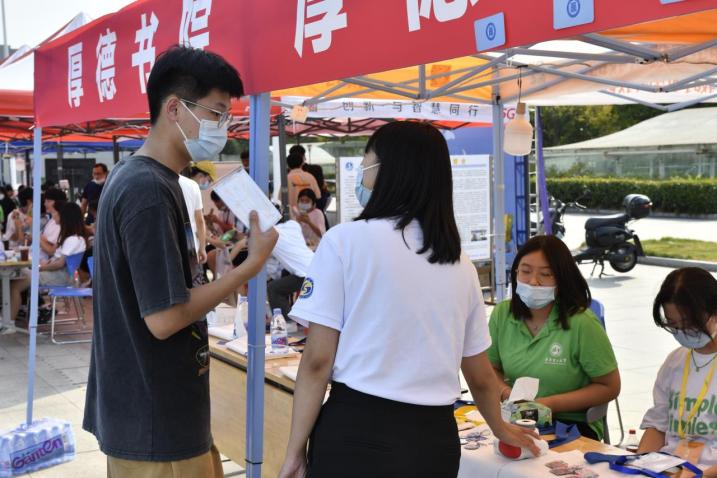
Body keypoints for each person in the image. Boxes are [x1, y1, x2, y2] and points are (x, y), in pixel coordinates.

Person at [278, 121, 539, 478]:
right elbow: (478, 375)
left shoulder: (344, 242)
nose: (361, 177)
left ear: (388, 173)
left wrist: (294, 449)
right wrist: (499, 427)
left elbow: (317, 361)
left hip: (357, 432)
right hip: (434, 441)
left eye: (365, 166)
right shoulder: (458, 263)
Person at [82, 46, 278, 478]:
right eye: (216, 114)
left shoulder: (144, 178)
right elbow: (165, 318)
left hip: (157, 415)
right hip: (156, 424)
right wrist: (249, 266)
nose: (223, 128)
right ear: (175, 108)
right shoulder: (147, 189)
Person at [487, 235, 621, 441]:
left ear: (561, 279)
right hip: (514, 418)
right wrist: (505, 393)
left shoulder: (582, 323)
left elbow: (609, 386)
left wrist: (551, 404)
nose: (533, 281)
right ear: (515, 273)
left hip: (570, 425)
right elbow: (489, 369)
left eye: (546, 274)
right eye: (525, 271)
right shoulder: (502, 314)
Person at [639, 268, 717, 474]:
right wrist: (641, 465)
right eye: (673, 325)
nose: (682, 333)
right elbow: (658, 426)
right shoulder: (675, 361)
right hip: (672, 468)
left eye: (690, 324)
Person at [5, 203, 88, 335]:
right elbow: (57, 260)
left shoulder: (73, 239)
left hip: (60, 276)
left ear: (66, 217)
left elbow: (59, 264)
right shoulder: (70, 237)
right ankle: (9, 320)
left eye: (57, 213)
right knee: (18, 278)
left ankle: (9, 323)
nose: (55, 216)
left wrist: (40, 267)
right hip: (56, 274)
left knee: (16, 284)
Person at [179, 160, 217, 265]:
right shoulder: (193, 187)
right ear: (201, 175)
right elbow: (198, 222)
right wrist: (203, 247)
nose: (208, 184)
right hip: (190, 245)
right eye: (208, 180)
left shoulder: (174, 182)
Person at [40, 188, 66, 262]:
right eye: (45, 201)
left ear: (58, 203)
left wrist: (36, 236)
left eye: (48, 201)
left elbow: (51, 251)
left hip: (46, 262)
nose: (45, 204)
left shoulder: (60, 223)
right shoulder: (51, 220)